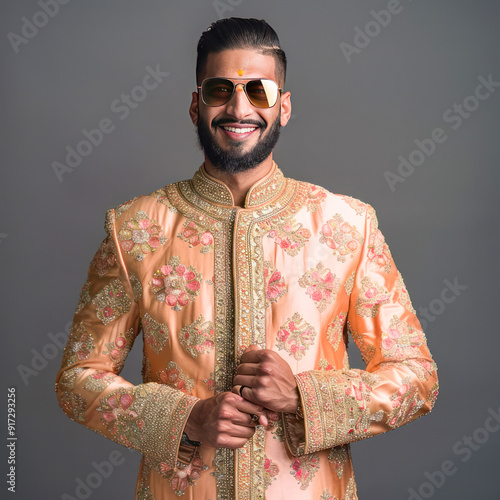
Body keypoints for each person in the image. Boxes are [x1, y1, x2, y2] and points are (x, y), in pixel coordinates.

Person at [55, 17, 438, 500]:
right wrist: (184, 420)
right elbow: (77, 379)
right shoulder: (135, 227)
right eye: (220, 90)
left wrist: (303, 398)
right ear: (196, 103)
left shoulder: (348, 225)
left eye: (259, 92)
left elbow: (416, 377)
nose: (239, 108)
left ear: (285, 107)